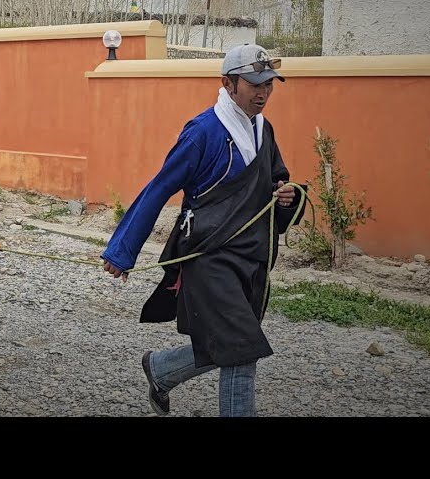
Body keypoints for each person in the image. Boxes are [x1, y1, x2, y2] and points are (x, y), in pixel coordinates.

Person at [100, 43, 306, 417]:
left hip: (251, 259)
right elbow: (159, 188)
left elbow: (276, 179)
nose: (263, 93)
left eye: (268, 85)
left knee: (228, 344)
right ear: (228, 84)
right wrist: (122, 251)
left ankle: (161, 370)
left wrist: (287, 193)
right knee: (241, 351)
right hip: (209, 258)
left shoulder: (264, 130)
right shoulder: (202, 132)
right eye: (254, 84)